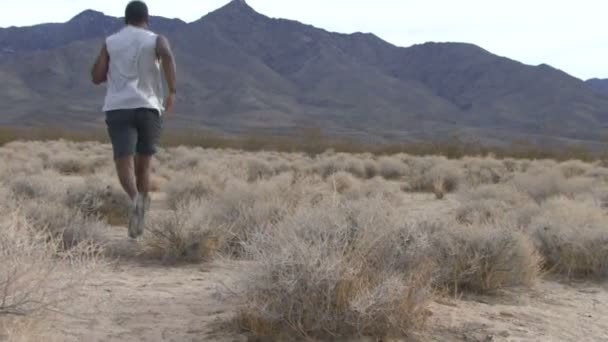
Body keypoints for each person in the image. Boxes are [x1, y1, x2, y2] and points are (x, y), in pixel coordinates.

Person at [90, 0, 177, 238]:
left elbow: (97, 76)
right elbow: (167, 55)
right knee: (144, 164)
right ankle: (141, 213)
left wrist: (107, 59)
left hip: (118, 107)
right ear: (146, 18)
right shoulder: (156, 39)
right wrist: (172, 91)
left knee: (123, 160)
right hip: (148, 107)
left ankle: (135, 198)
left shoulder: (111, 42)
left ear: (125, 19)